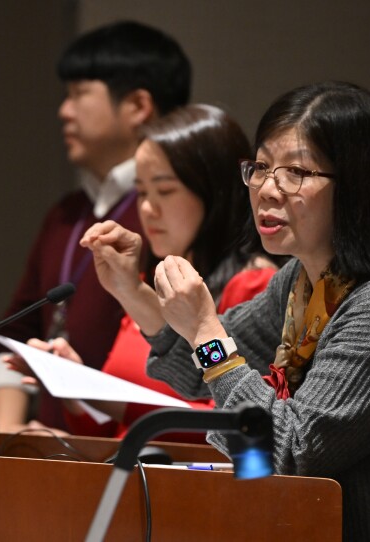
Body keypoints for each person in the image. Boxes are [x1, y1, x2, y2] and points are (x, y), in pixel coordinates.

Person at [101, 82, 370, 539]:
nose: (267, 189)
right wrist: (131, 291)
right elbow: (192, 368)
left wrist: (206, 332)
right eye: (260, 167)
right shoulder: (302, 285)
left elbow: (289, 452)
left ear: (356, 186)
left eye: (296, 171)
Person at [16, 104, 276, 441]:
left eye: (165, 191)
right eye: (141, 192)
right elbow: (120, 434)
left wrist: (106, 399)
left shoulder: (253, 284)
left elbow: (238, 422)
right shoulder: (153, 287)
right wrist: (76, 391)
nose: (148, 209)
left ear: (213, 192)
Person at [0, 21, 191, 433]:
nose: (64, 110)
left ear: (137, 106)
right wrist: (9, 433)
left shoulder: (173, 216)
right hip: (53, 454)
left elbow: (190, 368)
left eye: (79, 94)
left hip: (139, 456)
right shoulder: (66, 213)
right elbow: (14, 335)